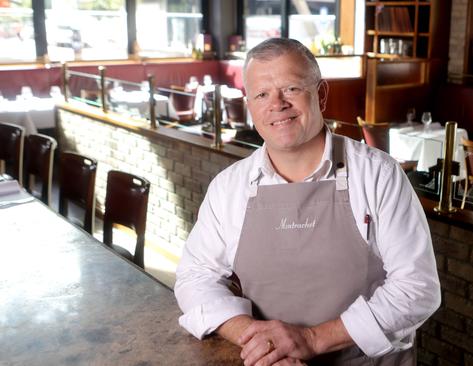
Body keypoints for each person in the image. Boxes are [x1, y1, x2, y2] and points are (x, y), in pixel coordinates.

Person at [174, 38, 441, 366]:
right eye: (262, 94)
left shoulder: (378, 175)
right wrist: (261, 342)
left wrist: (312, 339)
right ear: (250, 105)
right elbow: (195, 277)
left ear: (321, 94)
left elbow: (418, 288)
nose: (277, 104)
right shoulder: (229, 188)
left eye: (291, 88)